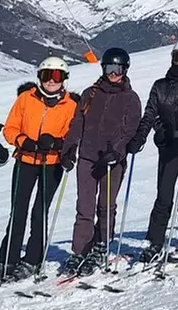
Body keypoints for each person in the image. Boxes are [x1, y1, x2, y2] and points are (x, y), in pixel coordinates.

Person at [0, 57, 79, 281]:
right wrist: (24, 141)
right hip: (26, 160)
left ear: (64, 79)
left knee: (40, 212)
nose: (51, 81)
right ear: (39, 77)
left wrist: (58, 144)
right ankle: (8, 259)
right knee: (18, 211)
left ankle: (33, 259)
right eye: (47, 76)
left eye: (57, 76)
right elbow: (10, 128)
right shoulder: (26, 99)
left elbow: (74, 134)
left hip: (52, 163)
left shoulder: (70, 105)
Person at [60, 48, 142, 276]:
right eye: (109, 68)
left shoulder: (130, 98)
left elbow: (130, 129)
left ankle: (101, 245)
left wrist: (116, 151)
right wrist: (69, 149)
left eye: (118, 69)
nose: (113, 73)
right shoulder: (90, 94)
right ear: (103, 69)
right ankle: (80, 250)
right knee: (84, 206)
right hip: (87, 157)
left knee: (106, 205)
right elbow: (77, 124)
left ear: (125, 70)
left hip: (112, 161)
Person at [128, 39, 178, 264]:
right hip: (168, 146)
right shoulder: (160, 86)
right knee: (163, 196)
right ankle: (155, 242)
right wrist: (140, 137)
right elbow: (150, 114)